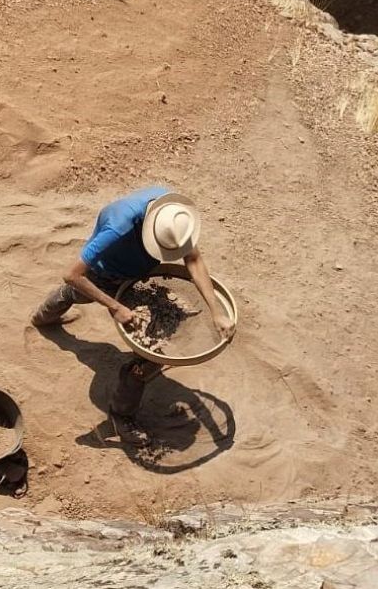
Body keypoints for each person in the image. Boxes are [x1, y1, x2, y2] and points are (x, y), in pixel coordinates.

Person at [30, 189, 235, 446]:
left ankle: (124, 404)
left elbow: (193, 259)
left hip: (136, 273)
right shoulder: (119, 228)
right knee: (74, 291)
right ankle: (119, 417)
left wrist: (217, 312)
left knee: (149, 355)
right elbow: (72, 274)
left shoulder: (172, 215)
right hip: (103, 275)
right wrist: (115, 306)